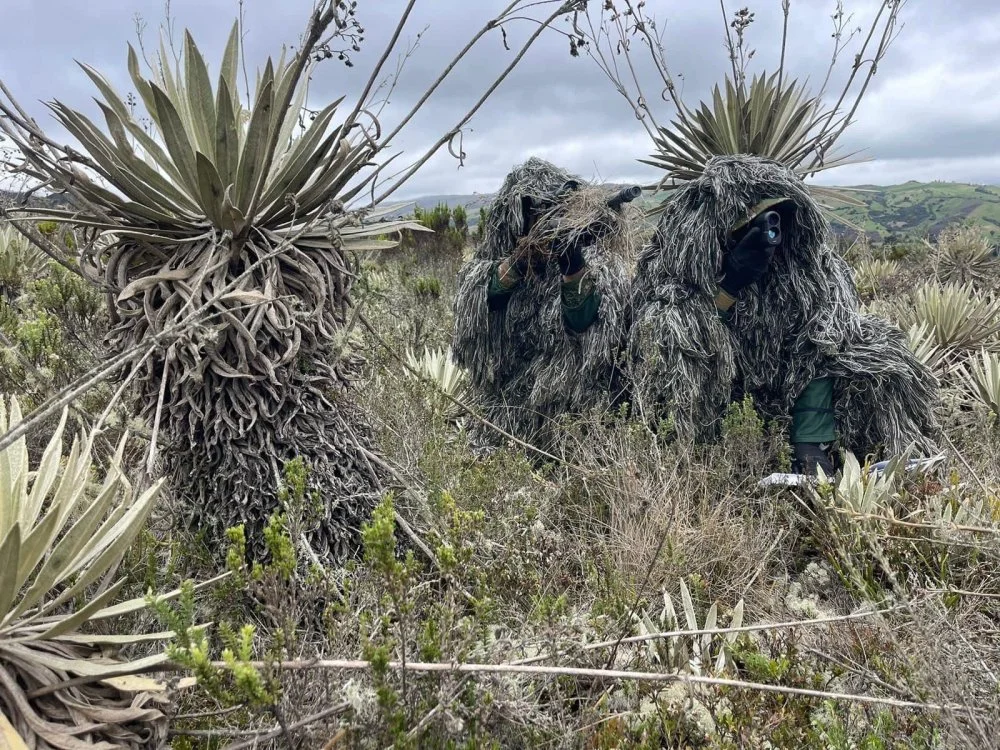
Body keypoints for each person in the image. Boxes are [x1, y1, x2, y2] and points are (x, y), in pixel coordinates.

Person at [627, 154, 939, 474]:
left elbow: (820, 345)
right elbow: (673, 346)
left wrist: (808, 443)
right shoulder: (675, 268)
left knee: (878, 351)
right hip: (720, 405)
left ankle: (889, 459)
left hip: (784, 402)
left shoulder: (810, 275)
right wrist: (730, 286)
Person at [451, 157, 635, 450]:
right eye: (534, 211)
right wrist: (523, 259)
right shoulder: (490, 264)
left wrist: (572, 264)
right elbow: (480, 302)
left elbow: (585, 325)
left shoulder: (598, 266)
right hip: (505, 411)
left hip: (571, 417)